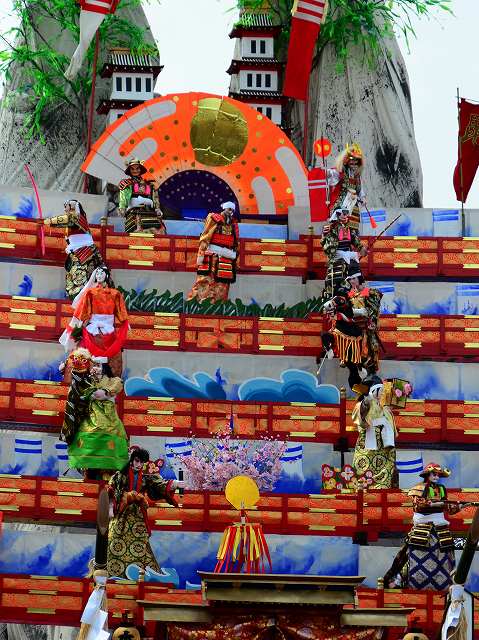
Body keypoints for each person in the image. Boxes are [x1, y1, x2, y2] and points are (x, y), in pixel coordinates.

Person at [384, 463, 470, 590]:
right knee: (406, 553)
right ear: (427, 475)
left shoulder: (441, 488)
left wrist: (460, 507)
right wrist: (434, 504)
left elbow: (447, 507)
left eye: (438, 475)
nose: (436, 477)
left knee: (448, 554)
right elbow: (419, 504)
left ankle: (449, 586)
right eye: (434, 474)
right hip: (422, 527)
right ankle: (395, 579)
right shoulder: (418, 488)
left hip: (440, 528)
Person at [107, 447, 184, 578]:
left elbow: (160, 485)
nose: (139, 464)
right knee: (114, 539)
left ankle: (140, 574)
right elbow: (111, 492)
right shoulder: (119, 476)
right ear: (132, 460)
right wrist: (114, 506)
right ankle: (112, 573)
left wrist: (175, 484)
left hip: (138, 515)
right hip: (122, 512)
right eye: (137, 461)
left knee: (141, 542)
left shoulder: (145, 478)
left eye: (142, 462)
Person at [60, 266, 129, 377]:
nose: (99, 275)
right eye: (97, 274)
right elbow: (84, 310)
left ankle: (110, 378)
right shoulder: (90, 293)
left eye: (101, 273)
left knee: (114, 357)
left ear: (107, 275)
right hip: (93, 329)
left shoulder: (115, 294)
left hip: (108, 329)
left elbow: (120, 310)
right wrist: (78, 324)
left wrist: (125, 322)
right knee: (82, 353)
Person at [67, 360, 129, 480]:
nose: (95, 368)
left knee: (110, 441)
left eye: (98, 365)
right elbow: (78, 389)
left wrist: (101, 392)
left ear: (104, 367)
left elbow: (101, 394)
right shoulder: (87, 380)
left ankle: (108, 471)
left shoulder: (114, 380)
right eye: (93, 366)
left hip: (108, 417)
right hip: (90, 415)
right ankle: (88, 469)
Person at [43, 200, 107, 300]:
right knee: (73, 280)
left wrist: (49, 221)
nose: (65, 209)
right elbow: (62, 223)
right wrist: (48, 223)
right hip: (77, 254)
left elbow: (68, 220)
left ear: (73, 207)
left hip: (85, 253)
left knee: (80, 280)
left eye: (67, 207)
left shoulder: (78, 218)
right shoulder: (73, 221)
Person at [187, 201, 239, 303]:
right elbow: (206, 236)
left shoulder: (234, 224)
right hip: (211, 256)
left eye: (232, 210)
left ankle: (217, 305)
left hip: (226, 259)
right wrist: (201, 254)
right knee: (204, 281)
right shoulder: (214, 219)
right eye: (229, 209)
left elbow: (236, 243)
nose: (231, 212)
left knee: (222, 285)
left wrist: (235, 259)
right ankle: (196, 304)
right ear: (224, 209)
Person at [351, 374, 397, 489]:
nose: (381, 393)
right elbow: (361, 420)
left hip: (383, 442)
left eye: (382, 391)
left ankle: (382, 487)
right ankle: (362, 487)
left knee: (385, 464)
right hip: (368, 437)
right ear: (372, 391)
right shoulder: (362, 404)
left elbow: (389, 419)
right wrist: (365, 404)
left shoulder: (383, 407)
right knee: (363, 465)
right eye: (379, 390)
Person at [320, 208, 367, 301]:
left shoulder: (350, 228)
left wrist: (362, 249)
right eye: (343, 213)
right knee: (335, 283)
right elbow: (327, 247)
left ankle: (362, 300)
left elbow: (356, 241)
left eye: (346, 213)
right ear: (337, 215)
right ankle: (335, 300)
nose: (345, 216)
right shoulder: (331, 228)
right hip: (336, 259)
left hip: (350, 258)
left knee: (359, 281)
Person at [346, 267, 383, 375]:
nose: (352, 281)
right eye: (350, 279)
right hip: (354, 328)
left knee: (370, 350)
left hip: (367, 328)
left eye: (354, 278)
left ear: (359, 278)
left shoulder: (369, 292)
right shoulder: (349, 295)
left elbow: (373, 310)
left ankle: (370, 372)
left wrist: (359, 312)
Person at [118, 158, 166, 234]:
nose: (135, 171)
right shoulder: (126, 184)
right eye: (132, 169)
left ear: (140, 169)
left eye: (137, 168)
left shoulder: (149, 184)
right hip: (134, 213)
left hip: (150, 212)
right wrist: (122, 208)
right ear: (129, 170)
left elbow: (155, 197)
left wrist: (157, 208)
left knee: (159, 229)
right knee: (137, 229)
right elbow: (123, 198)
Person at [326, 143, 366, 230]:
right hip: (342, 203)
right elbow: (332, 174)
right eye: (352, 159)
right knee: (339, 226)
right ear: (346, 159)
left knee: (353, 227)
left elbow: (360, 190)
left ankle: (353, 237)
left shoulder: (357, 176)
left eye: (356, 160)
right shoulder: (341, 171)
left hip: (353, 204)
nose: (354, 162)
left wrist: (363, 198)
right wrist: (327, 173)